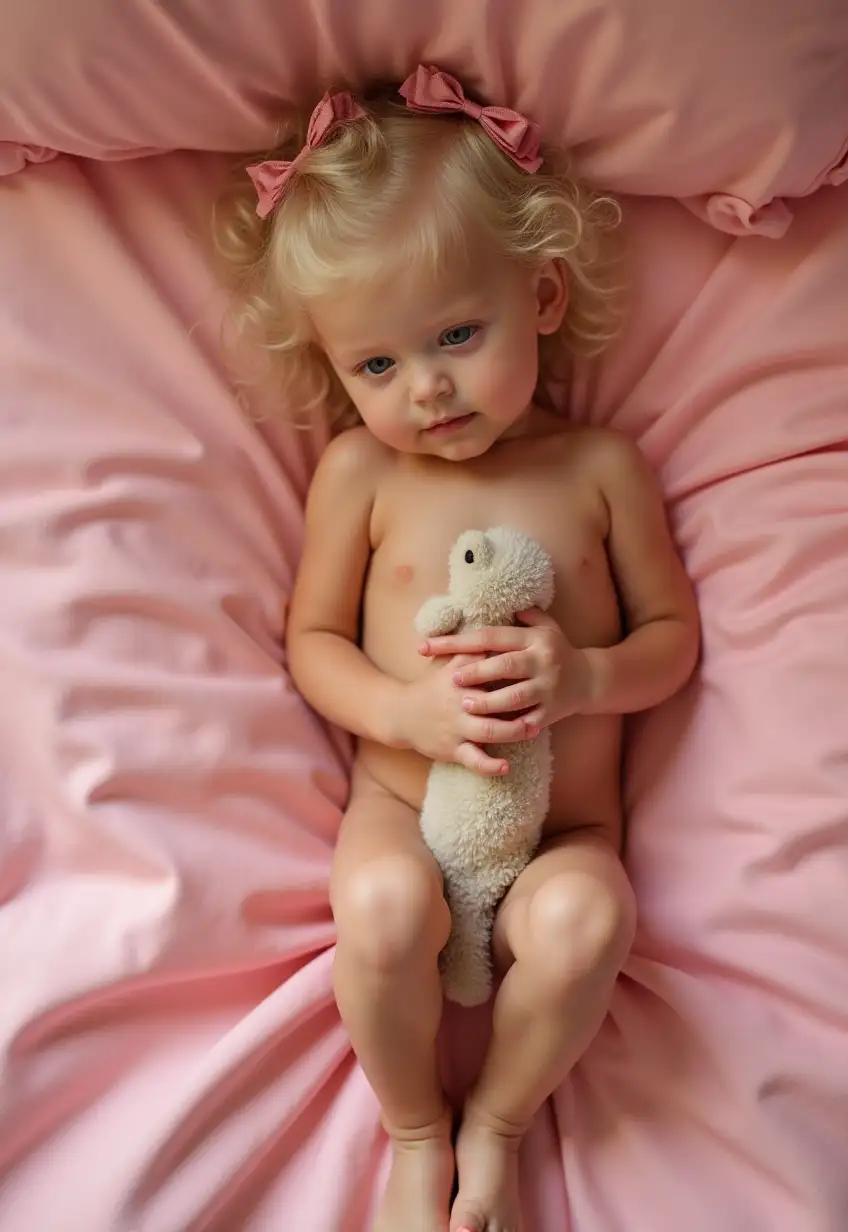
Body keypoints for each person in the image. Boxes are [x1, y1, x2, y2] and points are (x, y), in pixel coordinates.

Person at [216, 65, 700, 1232]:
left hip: (564, 831)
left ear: (539, 295)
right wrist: (402, 714)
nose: (424, 389)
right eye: (374, 367)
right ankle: (416, 1129)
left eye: (455, 334)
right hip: (401, 805)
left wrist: (586, 676)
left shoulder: (597, 470)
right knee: (380, 912)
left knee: (589, 924)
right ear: (334, 371)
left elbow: (672, 643)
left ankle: (495, 1119)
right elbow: (314, 639)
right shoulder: (360, 472)